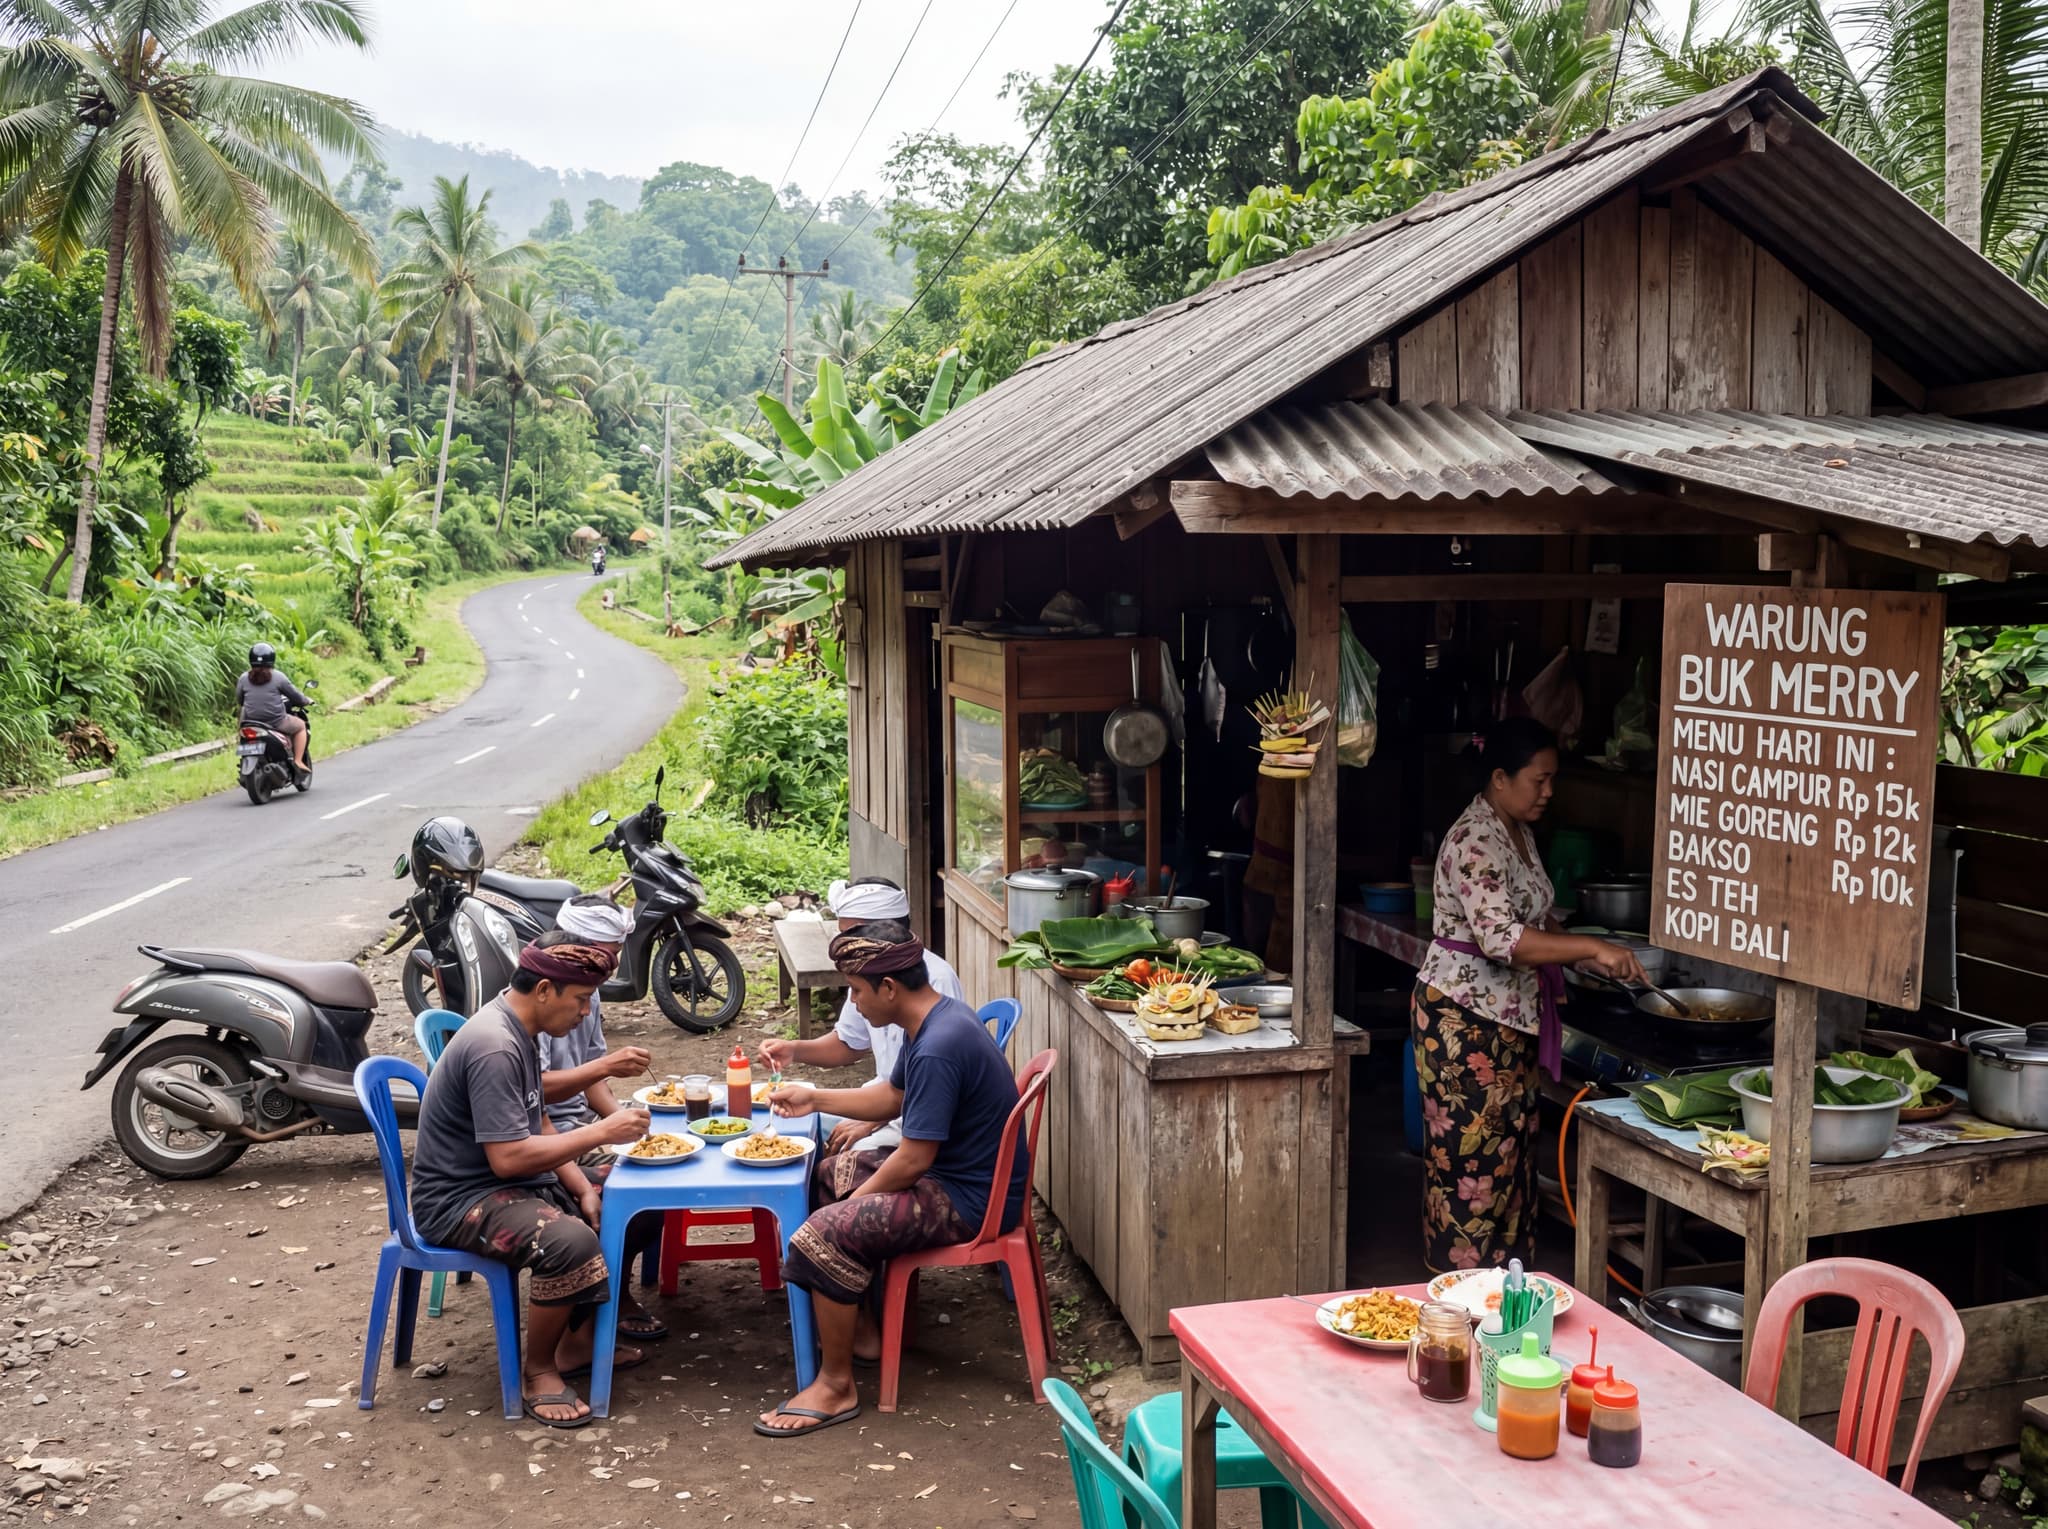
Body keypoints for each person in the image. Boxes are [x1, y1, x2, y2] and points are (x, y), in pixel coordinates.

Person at [754, 921, 1024, 1439]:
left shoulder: (941, 1043)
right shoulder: (933, 1020)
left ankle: (836, 1386)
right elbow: (892, 1099)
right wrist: (813, 1096)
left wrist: (850, 1207)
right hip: (954, 1176)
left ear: (889, 988)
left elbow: (914, 1159)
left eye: (855, 991)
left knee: (821, 1232)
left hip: (968, 1198)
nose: (853, 1005)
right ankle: (864, 1329)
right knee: (828, 1172)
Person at [1412, 717, 1647, 1274]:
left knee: (1512, 1162)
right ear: (1499, 776)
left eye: (1552, 780)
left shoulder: (1517, 830)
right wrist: (1589, 945)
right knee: (1470, 1168)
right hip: (1463, 1022)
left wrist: (1587, 953)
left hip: (1509, 1017)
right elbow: (1503, 939)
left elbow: (1533, 917)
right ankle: (1455, 1301)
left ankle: (1506, 1297)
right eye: (1539, 780)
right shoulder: (1475, 839)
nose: (1549, 792)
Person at [409, 934, 653, 1429]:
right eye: (580, 1000)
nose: (586, 1013)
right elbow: (509, 1158)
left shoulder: (518, 1028)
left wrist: (583, 1187)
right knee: (568, 1241)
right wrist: (602, 1130)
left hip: (512, 1182)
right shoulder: (495, 1045)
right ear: (544, 989)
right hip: (459, 1198)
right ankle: (539, 1368)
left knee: (640, 1196)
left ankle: (579, 1342)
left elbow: (537, 1118)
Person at [535, 894, 667, 1342]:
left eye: (611, 957)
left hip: (572, 1130)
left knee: (656, 1176)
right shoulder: (539, 1002)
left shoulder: (583, 996)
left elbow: (593, 1079)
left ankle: (609, 1297)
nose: (607, 966)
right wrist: (604, 1073)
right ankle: (595, 1312)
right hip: (548, 1137)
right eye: (603, 955)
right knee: (634, 1193)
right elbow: (534, 1098)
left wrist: (634, 1126)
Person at [755, 877, 966, 1156]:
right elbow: (850, 1044)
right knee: (800, 1133)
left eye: (849, 935)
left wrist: (870, 1121)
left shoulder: (933, 991)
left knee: (840, 1156)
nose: (843, 945)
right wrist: (794, 1050)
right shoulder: (870, 982)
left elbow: (921, 1097)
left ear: (883, 933)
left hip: (912, 1121)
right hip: (886, 1103)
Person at [235, 642, 310, 781]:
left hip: (250, 723)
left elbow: (240, 700)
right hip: (275, 722)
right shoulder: (278, 677)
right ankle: (298, 761)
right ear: (272, 659)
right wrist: (305, 701)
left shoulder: (243, 678)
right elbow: (295, 696)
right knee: (300, 726)